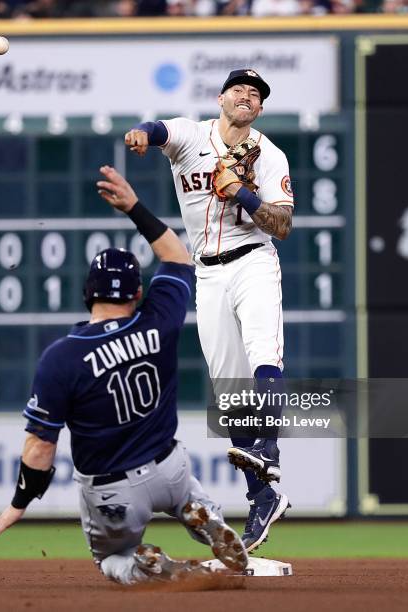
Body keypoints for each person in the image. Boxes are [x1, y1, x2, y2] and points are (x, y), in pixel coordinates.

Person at [0, 165, 247, 584]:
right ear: (138, 293)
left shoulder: (62, 357)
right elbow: (177, 256)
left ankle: (143, 563)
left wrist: (18, 504)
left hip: (114, 492)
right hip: (170, 467)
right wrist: (134, 207)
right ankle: (200, 513)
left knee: (111, 560)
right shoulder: (158, 320)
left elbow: (39, 449)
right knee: (186, 492)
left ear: (88, 293)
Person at [124, 68, 293, 552]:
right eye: (239, 89)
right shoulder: (191, 134)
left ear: (259, 109)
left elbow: (281, 224)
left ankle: (269, 451)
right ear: (221, 98)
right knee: (230, 393)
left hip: (253, 259)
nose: (247, 96)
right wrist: (141, 136)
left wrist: (240, 191)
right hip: (208, 272)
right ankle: (263, 497)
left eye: (256, 94)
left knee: (265, 353)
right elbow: (158, 132)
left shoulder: (269, 153)